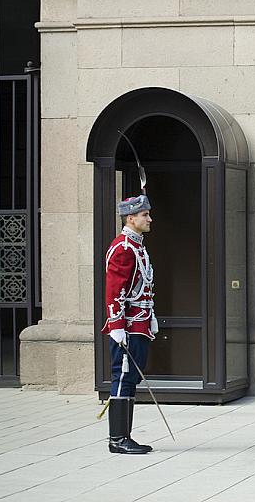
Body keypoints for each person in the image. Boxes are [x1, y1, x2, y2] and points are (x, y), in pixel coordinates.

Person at [103, 194, 156, 455]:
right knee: (122, 377)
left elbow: (143, 287)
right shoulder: (123, 247)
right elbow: (114, 290)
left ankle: (125, 436)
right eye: (145, 215)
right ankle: (117, 439)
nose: (149, 218)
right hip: (127, 325)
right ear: (130, 218)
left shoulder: (137, 246)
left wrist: (151, 318)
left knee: (131, 378)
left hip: (140, 324)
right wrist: (116, 325)